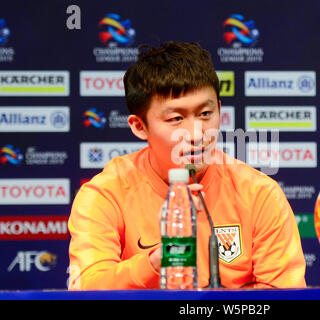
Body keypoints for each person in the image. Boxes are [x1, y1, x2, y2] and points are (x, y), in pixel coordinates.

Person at [68, 41, 306, 290]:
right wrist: (157, 261)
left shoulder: (259, 193)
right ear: (139, 126)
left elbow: (283, 293)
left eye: (205, 114)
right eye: (176, 119)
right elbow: (87, 288)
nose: (196, 134)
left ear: (220, 110)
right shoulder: (105, 195)